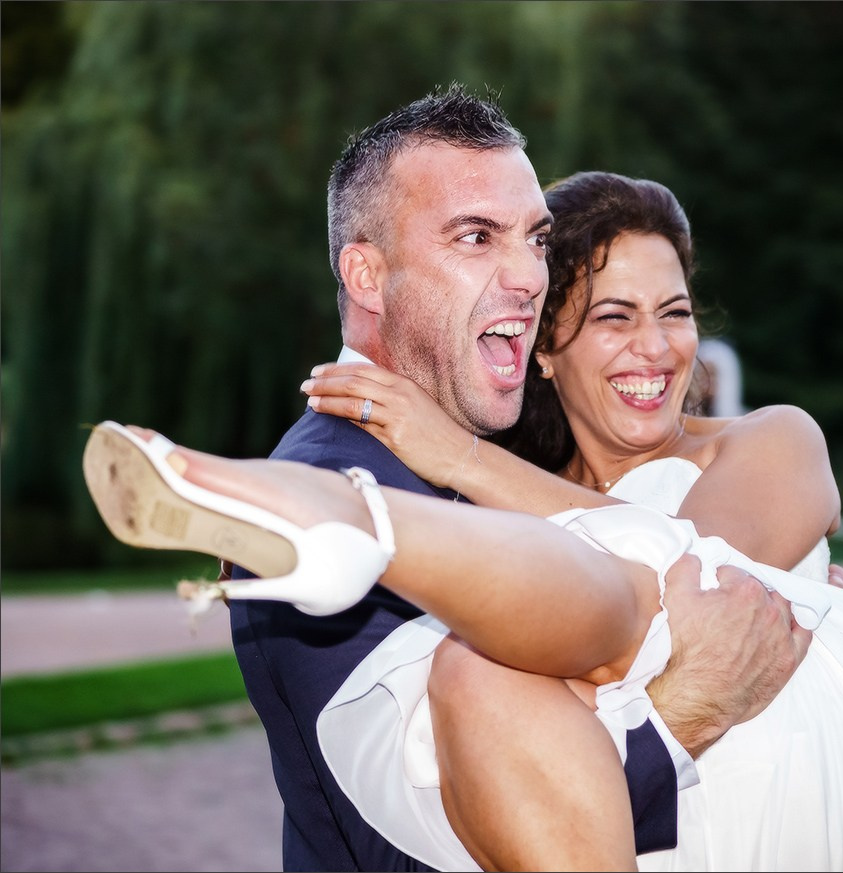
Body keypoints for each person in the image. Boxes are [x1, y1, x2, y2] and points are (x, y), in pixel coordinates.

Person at [300, 171, 843, 870]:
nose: (657, 347)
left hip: (806, 818)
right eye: (615, 317)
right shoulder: (512, 508)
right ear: (545, 348)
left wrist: (460, 457)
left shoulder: (774, 440)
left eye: (675, 312)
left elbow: (687, 584)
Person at [197, 84, 808, 871]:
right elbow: (420, 848)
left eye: (535, 238)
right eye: (477, 236)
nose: (527, 276)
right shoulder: (324, 499)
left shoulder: (509, 468)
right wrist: (689, 706)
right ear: (368, 276)